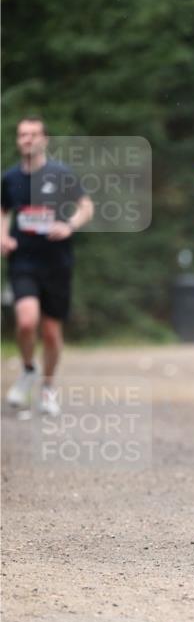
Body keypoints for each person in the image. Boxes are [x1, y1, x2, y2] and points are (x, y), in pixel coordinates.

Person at [1, 116, 93, 415]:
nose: (27, 139)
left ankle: (48, 386)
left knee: (51, 331)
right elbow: (3, 211)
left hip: (57, 261)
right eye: (22, 134)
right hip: (23, 260)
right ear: (18, 140)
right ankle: (28, 368)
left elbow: (86, 207)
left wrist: (69, 226)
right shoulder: (10, 178)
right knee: (27, 321)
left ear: (44, 139)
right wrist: (3, 236)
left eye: (33, 134)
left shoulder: (60, 173)